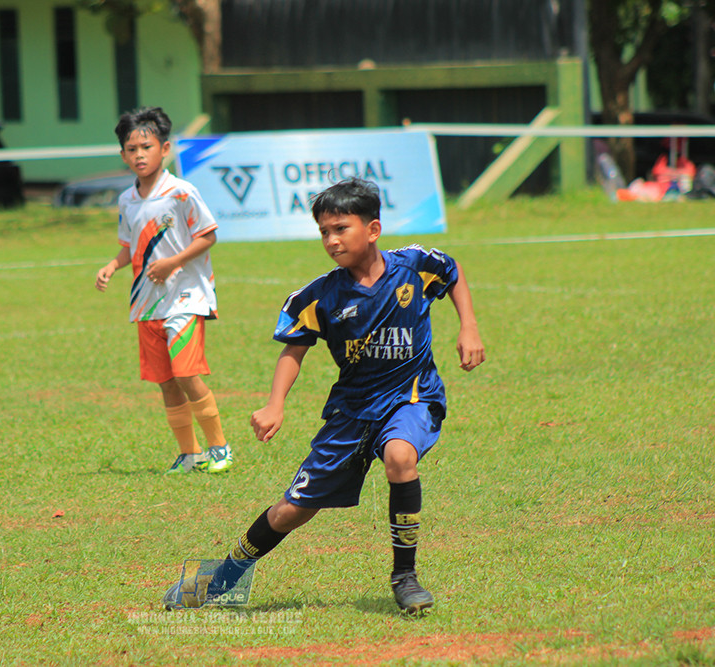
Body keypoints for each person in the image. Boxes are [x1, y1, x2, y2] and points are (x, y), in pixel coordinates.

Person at [163, 178, 485, 614]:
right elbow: (293, 350)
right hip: (351, 413)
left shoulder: (415, 266)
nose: (331, 240)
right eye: (323, 232)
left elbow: (453, 271)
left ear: (372, 229)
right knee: (290, 512)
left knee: (400, 457)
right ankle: (220, 579)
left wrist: (468, 326)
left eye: (340, 229)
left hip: (411, 396)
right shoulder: (320, 296)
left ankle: (405, 576)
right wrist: (275, 403)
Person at [95, 106, 232, 475]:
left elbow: (208, 235)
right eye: (131, 149)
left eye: (146, 146)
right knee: (167, 381)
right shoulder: (127, 200)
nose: (139, 154)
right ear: (123, 155)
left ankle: (220, 448)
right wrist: (112, 265)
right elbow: (129, 247)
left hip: (187, 295)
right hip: (147, 303)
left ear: (165, 148)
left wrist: (174, 262)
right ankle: (190, 454)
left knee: (187, 374)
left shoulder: (182, 192)